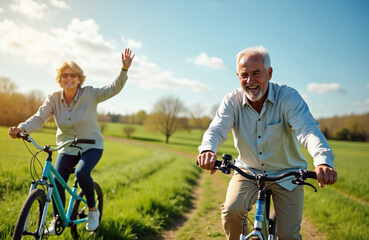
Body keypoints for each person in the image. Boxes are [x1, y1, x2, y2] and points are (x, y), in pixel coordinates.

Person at [197, 46, 337, 240]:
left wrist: (323, 161)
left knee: (288, 235)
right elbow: (217, 129)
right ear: (238, 75)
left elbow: (308, 130)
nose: (250, 81)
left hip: (288, 175)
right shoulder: (232, 101)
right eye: (244, 75)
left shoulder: (288, 97)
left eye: (256, 73)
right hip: (248, 172)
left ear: (269, 73)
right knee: (231, 212)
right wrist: (208, 150)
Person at [8, 48, 135, 234]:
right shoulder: (53, 99)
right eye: (65, 75)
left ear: (79, 78)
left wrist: (124, 70)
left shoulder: (90, 94)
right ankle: (57, 218)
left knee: (82, 173)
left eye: (73, 75)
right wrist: (22, 128)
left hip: (91, 145)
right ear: (60, 79)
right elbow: (40, 117)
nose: (69, 78)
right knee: (56, 183)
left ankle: (93, 210)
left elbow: (113, 88)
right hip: (66, 147)